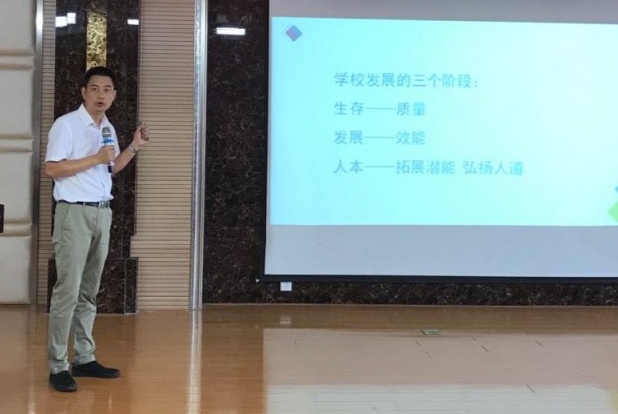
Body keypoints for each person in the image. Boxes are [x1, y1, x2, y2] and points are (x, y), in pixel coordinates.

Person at [44, 66, 150, 392]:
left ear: (114, 95)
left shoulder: (108, 127)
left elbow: (110, 168)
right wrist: (94, 158)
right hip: (73, 214)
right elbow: (52, 169)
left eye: (107, 89)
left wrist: (133, 147)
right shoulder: (67, 125)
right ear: (83, 92)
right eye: (94, 88)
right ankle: (58, 365)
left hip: (102, 213)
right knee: (68, 290)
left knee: (89, 291)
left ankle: (84, 357)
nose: (101, 95)